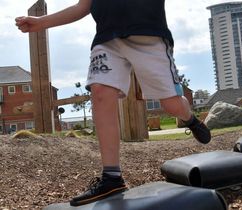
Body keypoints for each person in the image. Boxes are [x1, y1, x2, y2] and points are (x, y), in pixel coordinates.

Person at [16, 0, 211, 206]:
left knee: (171, 105)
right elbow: (82, 7)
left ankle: (190, 120)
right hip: (107, 39)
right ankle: (112, 177)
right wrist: (41, 22)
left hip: (148, 34)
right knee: (100, 92)